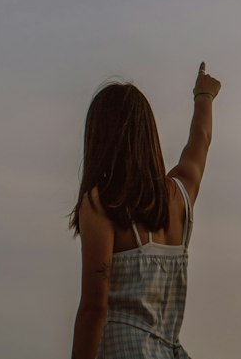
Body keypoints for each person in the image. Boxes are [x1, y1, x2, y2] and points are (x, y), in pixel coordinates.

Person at [69, 62, 222, 359]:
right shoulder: (180, 195)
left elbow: (94, 306)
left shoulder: (101, 203)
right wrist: (204, 96)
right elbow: (200, 142)